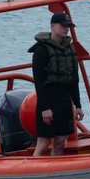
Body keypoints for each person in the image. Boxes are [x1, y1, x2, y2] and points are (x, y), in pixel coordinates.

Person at [28, 12, 84, 156]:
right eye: (63, 26)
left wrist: (78, 105)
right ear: (53, 26)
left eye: (68, 27)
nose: (66, 29)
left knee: (60, 141)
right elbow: (38, 81)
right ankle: (35, 173)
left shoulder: (69, 49)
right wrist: (44, 107)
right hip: (48, 99)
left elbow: (74, 80)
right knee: (43, 144)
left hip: (64, 101)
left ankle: (52, 170)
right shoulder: (41, 51)